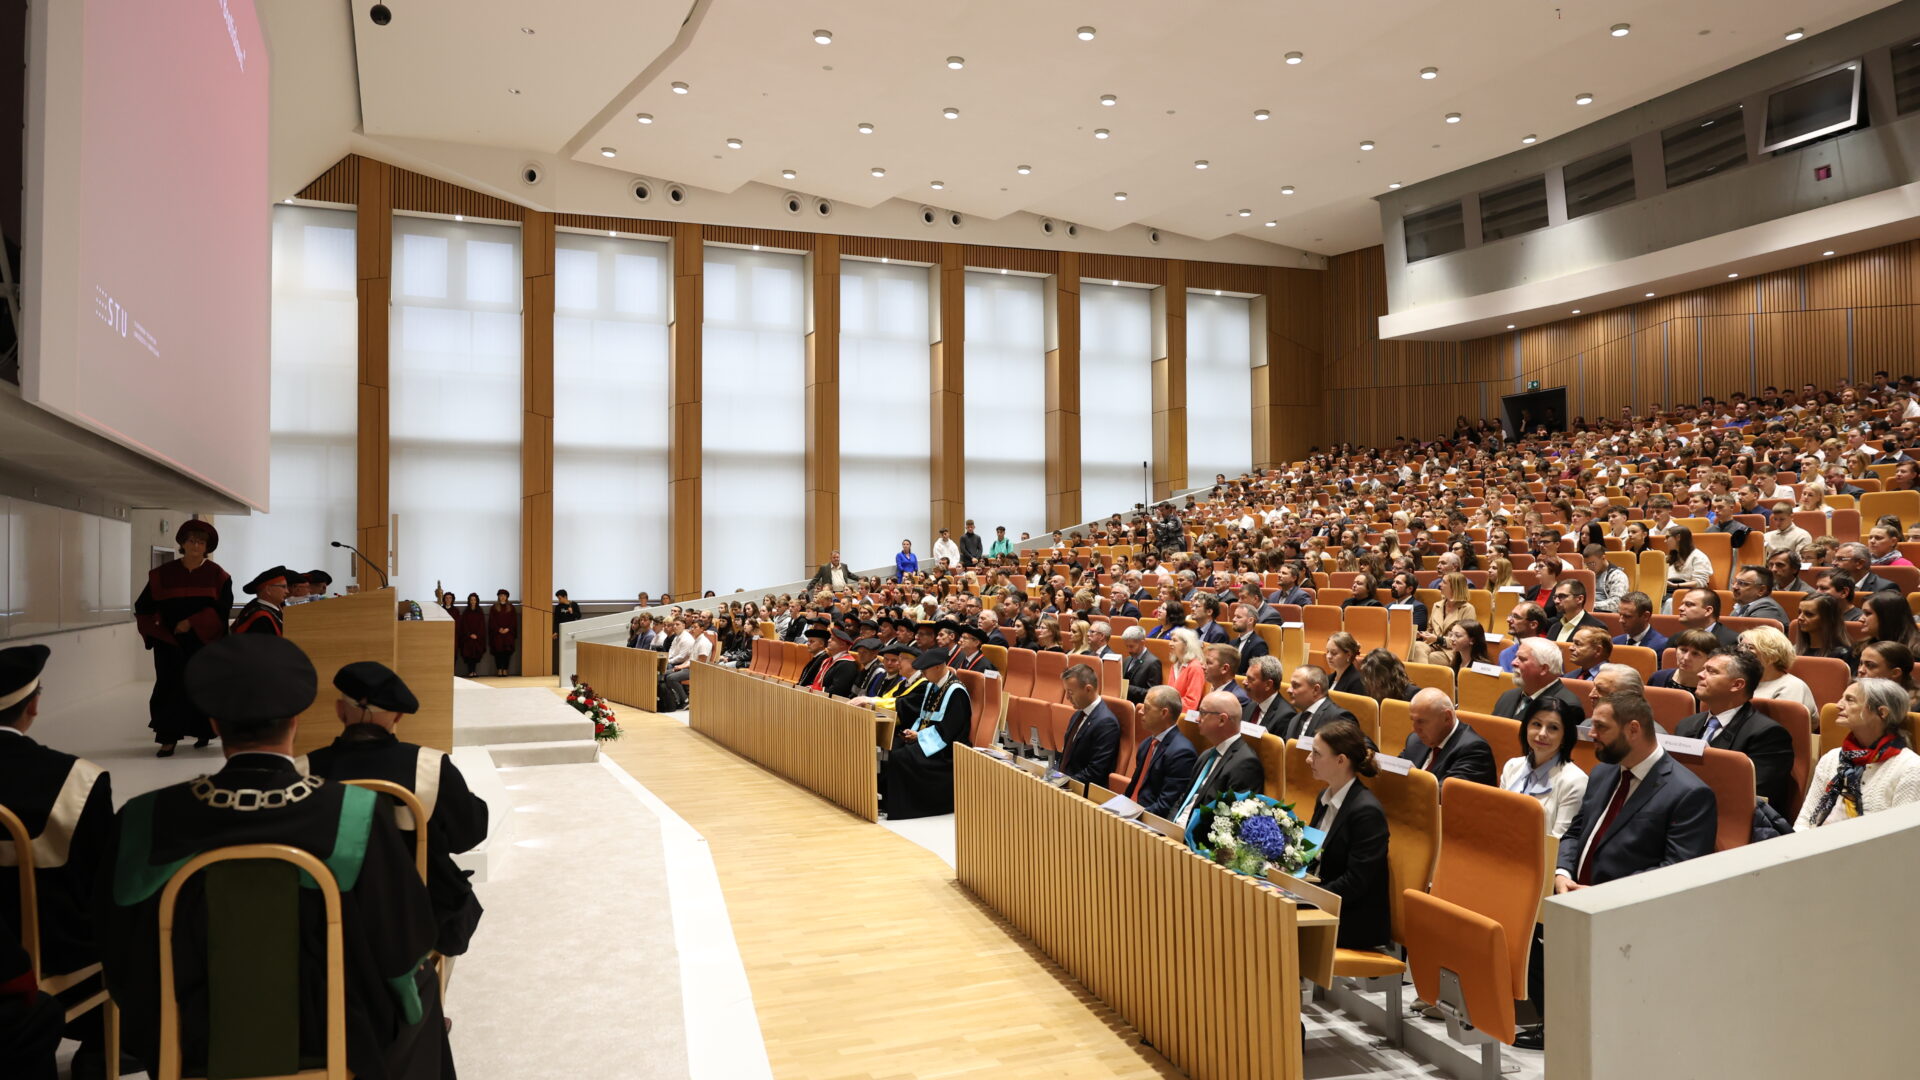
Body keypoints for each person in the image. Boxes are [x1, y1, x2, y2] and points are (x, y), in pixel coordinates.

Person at [97, 635, 449, 1080]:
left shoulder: (143, 819)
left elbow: (117, 949)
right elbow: (402, 946)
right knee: (420, 989)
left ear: (214, 723)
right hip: (331, 1035)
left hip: (186, 1039)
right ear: (297, 719)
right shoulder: (353, 814)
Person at [0, 645, 128, 1080]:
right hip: (43, 950)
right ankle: (102, 1047)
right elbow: (101, 882)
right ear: (33, 704)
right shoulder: (76, 779)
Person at [300, 661, 487, 959]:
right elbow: (468, 837)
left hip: (329, 923)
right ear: (398, 716)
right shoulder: (430, 767)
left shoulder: (304, 772)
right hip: (417, 922)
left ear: (339, 710)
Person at [1554, 690, 1717, 891]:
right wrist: (1562, 872)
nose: (1592, 734)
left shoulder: (1690, 794)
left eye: (1601, 727)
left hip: (1631, 912)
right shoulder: (1601, 772)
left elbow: (1678, 872)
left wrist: (1604, 895)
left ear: (1633, 730)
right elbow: (1575, 832)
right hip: (1571, 898)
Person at [134, 520, 233, 758]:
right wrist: (160, 631)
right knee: (169, 687)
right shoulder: (162, 575)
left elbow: (222, 610)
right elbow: (143, 606)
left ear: (207, 546)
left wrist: (192, 622)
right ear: (182, 543)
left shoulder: (218, 576)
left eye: (201, 541)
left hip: (204, 642)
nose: (195, 545)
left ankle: (204, 732)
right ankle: (167, 738)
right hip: (170, 643)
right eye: (191, 540)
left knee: (203, 686)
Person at [1304, 718, 1392, 950]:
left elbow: (1355, 883)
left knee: (1271, 923)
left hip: (1352, 919)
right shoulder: (1323, 797)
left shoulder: (1366, 812)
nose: (1308, 759)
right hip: (1324, 900)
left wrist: (1308, 898)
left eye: (1316, 754)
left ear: (1340, 760)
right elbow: (1309, 853)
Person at [1675, 650, 1796, 812]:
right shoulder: (1686, 725)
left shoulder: (1768, 735)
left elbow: (1755, 797)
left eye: (1711, 671)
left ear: (1737, 685)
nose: (1700, 675)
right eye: (1704, 669)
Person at [1795, 678, 1920, 829]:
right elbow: (1805, 820)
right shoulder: (1831, 758)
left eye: (1849, 700)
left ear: (1882, 712)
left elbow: (1902, 838)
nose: (1838, 705)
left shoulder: (1910, 768)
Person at [880, 647, 972, 819]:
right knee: (894, 745)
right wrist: (912, 732)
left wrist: (919, 736)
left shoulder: (956, 691)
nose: (922, 674)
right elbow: (923, 717)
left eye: (925, 670)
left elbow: (949, 729)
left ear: (938, 667)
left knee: (902, 756)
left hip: (947, 748)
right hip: (931, 738)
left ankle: (906, 807)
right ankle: (888, 801)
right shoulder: (933, 685)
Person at [1168, 691, 1264, 832]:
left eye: (1203, 713)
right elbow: (1184, 797)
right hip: (1175, 832)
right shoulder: (1207, 755)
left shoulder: (1245, 764)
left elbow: (1230, 822)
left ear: (1222, 720)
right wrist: (1168, 826)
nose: (1197, 719)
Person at [1501, 703, 1588, 837]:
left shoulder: (1575, 782)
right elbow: (1498, 818)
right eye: (1536, 724)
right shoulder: (1512, 766)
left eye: (1553, 728)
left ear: (1565, 736)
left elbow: (1559, 842)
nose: (1542, 734)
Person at [1121, 685, 1200, 818]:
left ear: (1164, 713)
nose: (1140, 711)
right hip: (1131, 813)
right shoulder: (1147, 744)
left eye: (1146, 708)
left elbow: (1166, 805)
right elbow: (1133, 789)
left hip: (1148, 823)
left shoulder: (1182, 753)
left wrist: (1131, 816)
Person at [1402, 688, 1497, 788]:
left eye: (1421, 721)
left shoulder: (1475, 750)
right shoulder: (1415, 740)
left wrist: (1415, 778)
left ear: (1447, 718)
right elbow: (1394, 771)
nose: (1414, 729)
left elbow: (1446, 793)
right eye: (1413, 720)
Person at [1494, 637, 1587, 727]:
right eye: (1516, 657)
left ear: (1543, 669)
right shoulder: (1507, 696)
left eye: (1522, 659)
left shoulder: (1567, 707)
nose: (1513, 663)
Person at [1057, 664, 1121, 786]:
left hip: (1081, 792)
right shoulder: (1078, 715)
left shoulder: (1106, 723)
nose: (1067, 697)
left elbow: (1096, 771)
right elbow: (1066, 756)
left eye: (1070, 692)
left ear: (1088, 689)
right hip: (1066, 784)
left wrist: (1063, 783)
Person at [1740, 626, 1819, 716]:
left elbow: (1782, 727)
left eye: (1750, 647)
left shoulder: (1792, 687)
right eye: (1741, 646)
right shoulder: (1741, 681)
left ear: (1773, 656)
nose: (1741, 651)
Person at [1270, 665, 1355, 740]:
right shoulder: (1294, 720)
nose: (1288, 690)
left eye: (1295, 685)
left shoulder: (1337, 717)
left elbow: (1362, 747)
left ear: (1315, 690)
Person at [1407, 572, 1475, 664]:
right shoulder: (1437, 605)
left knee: (1430, 657)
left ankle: (1420, 676)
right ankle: (1421, 676)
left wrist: (1439, 639)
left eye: (1444, 582)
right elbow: (1430, 629)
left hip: (1452, 651)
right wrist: (1424, 634)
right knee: (1417, 646)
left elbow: (1465, 639)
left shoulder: (1467, 609)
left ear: (1454, 586)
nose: (1439, 584)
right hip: (1433, 646)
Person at [1793, 593, 1857, 671]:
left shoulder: (1844, 654)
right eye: (1799, 612)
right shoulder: (1794, 650)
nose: (1800, 618)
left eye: (1809, 614)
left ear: (1827, 619)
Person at [1649, 628, 1718, 695]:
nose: (1686, 658)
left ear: (1709, 659)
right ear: (1676, 650)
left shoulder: (1712, 689)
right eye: (1683, 650)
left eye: (1695, 654)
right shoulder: (1658, 678)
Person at [230, 566, 292, 637]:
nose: (287, 591)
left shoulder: (273, 609)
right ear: (268, 590)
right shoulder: (261, 618)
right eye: (283, 587)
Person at [1729, 566, 1788, 631]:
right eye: (1735, 582)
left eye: (1742, 583)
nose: (1734, 587)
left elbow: (1748, 639)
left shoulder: (1767, 609)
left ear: (1761, 590)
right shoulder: (1740, 607)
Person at [1240, 655, 1287, 731]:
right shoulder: (1250, 705)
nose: (1244, 682)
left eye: (1250, 679)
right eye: (1246, 677)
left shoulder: (1284, 716)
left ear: (1268, 685)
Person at [1118, 626, 1162, 705]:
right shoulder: (1127, 659)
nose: (1128, 650)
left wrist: (1127, 688)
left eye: (1131, 646)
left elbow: (1152, 693)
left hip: (1139, 706)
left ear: (1142, 642)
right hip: (1123, 703)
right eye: (1126, 646)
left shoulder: (1153, 662)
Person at [1498, 603, 1548, 671]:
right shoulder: (1505, 654)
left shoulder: (1548, 655)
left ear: (1533, 625)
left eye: (1516, 616)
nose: (1508, 619)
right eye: (1510, 615)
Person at [1199, 643, 1252, 708]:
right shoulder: (1212, 689)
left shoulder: (1237, 698)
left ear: (1225, 668)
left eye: (1208, 663)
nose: (1203, 667)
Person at [1168, 628, 1207, 710]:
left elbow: (1191, 702)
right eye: (1171, 640)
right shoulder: (1175, 664)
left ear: (1187, 644)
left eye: (1174, 640)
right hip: (1171, 711)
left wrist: (1166, 705)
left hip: (1182, 716)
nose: (1170, 643)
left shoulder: (1195, 667)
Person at [1585, 544, 1629, 613]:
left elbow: (1617, 603)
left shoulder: (1617, 575)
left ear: (1603, 558)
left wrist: (1590, 606)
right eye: (1587, 564)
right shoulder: (1588, 574)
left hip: (1607, 614)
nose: (1589, 567)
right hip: (1589, 611)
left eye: (1592, 563)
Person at [453, 591, 488, 677]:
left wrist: (477, 635)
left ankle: (474, 671)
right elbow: (464, 625)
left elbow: (482, 625)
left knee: (476, 655)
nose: (473, 601)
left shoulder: (480, 612)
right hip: (468, 638)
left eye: (474, 600)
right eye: (471, 600)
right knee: (468, 655)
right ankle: (470, 671)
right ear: (469, 601)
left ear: (477, 601)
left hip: (477, 637)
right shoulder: (466, 612)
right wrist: (469, 634)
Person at [1227, 604, 1268, 673]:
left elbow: (1256, 673)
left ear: (1250, 620)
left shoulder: (1258, 645)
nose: (1233, 619)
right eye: (1234, 616)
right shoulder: (1232, 643)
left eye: (1238, 617)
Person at [1323, 632, 1365, 696]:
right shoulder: (1328, 679)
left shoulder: (1357, 682)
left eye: (1334, 653)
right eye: (1327, 651)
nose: (1328, 656)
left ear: (1348, 655)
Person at [487, 589, 519, 675]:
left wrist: (508, 629)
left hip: (508, 633)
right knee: (498, 652)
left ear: (507, 597)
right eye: (501, 595)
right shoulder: (494, 608)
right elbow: (492, 621)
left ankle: (505, 669)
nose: (502, 597)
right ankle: (499, 669)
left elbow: (514, 621)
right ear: (498, 597)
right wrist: (498, 629)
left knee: (507, 652)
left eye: (504, 596)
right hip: (497, 634)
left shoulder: (511, 608)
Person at [552, 588, 582, 670]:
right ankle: (562, 670)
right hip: (562, 631)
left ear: (565, 596)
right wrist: (555, 632)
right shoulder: (558, 607)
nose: (559, 600)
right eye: (558, 598)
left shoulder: (573, 605)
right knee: (562, 651)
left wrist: (572, 612)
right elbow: (556, 620)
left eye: (560, 598)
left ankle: (572, 668)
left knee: (572, 650)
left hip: (572, 631)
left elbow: (579, 616)